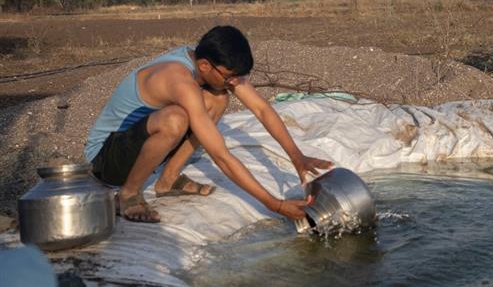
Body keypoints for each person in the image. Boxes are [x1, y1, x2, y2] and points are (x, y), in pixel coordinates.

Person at [85, 25, 333, 223]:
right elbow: (220, 155)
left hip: (139, 149)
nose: (234, 82)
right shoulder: (178, 78)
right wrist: (274, 204)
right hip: (107, 160)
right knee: (176, 119)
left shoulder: (206, 64)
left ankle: (167, 180)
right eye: (229, 76)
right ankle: (128, 194)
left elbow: (262, 109)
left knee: (217, 98)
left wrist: (297, 157)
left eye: (237, 77)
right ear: (205, 65)